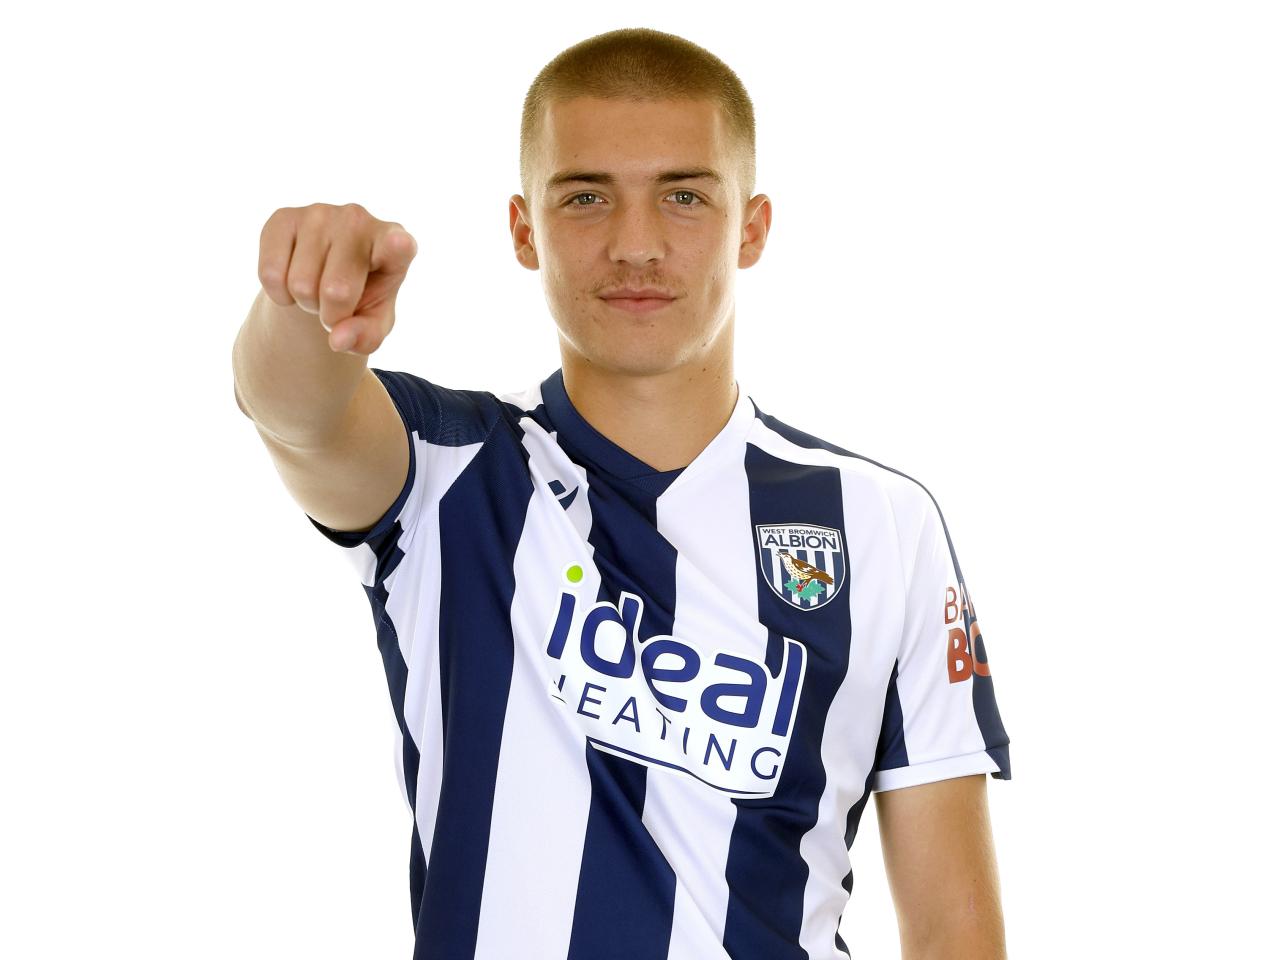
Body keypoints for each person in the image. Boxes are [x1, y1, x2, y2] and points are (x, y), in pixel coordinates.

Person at [231, 26, 1012, 960]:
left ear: (751, 228)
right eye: (586, 197)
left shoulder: (882, 523)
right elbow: (297, 411)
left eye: (684, 196)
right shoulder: (449, 473)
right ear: (524, 229)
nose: (635, 246)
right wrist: (301, 305)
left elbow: (955, 930)